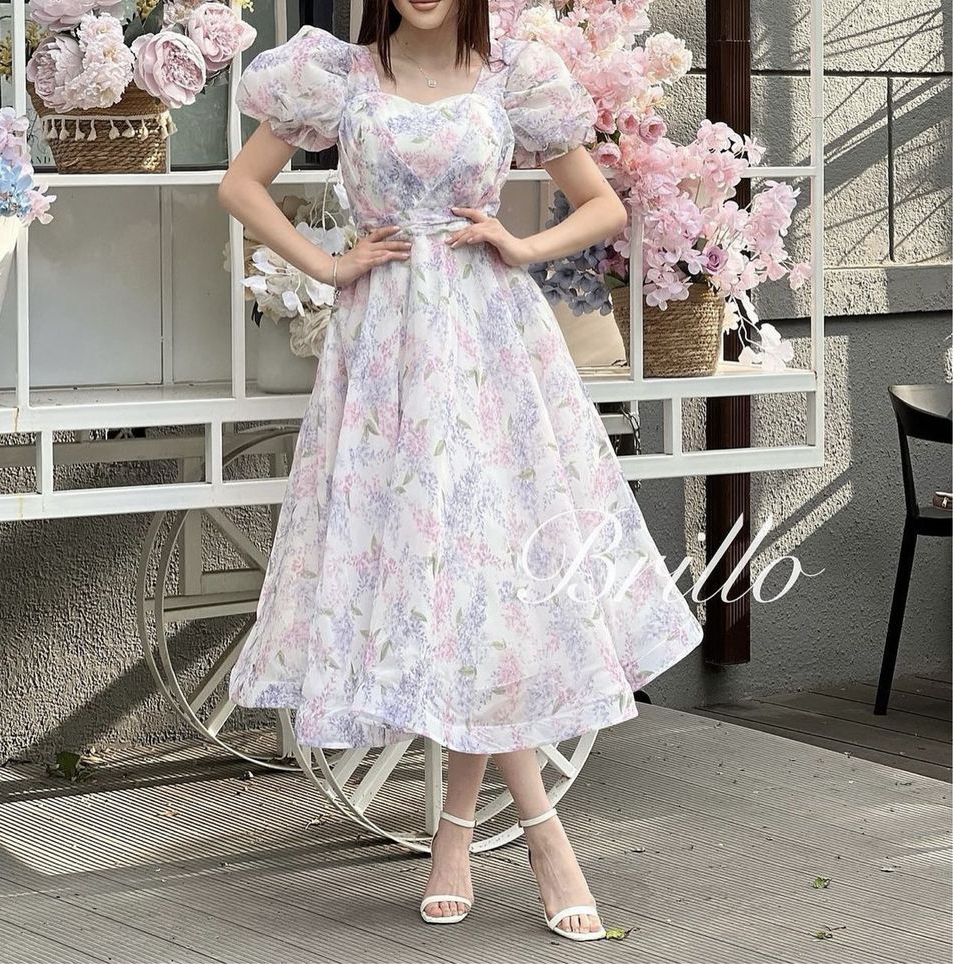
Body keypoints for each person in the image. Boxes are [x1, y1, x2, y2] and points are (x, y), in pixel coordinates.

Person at [217, 0, 703, 943]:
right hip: (387, 350)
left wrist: (524, 246)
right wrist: (329, 264)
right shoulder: (340, 76)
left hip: (491, 343)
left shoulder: (516, 74)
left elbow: (603, 204)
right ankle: (536, 835)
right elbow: (241, 186)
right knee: (451, 577)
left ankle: (464, 834)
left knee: (485, 571)